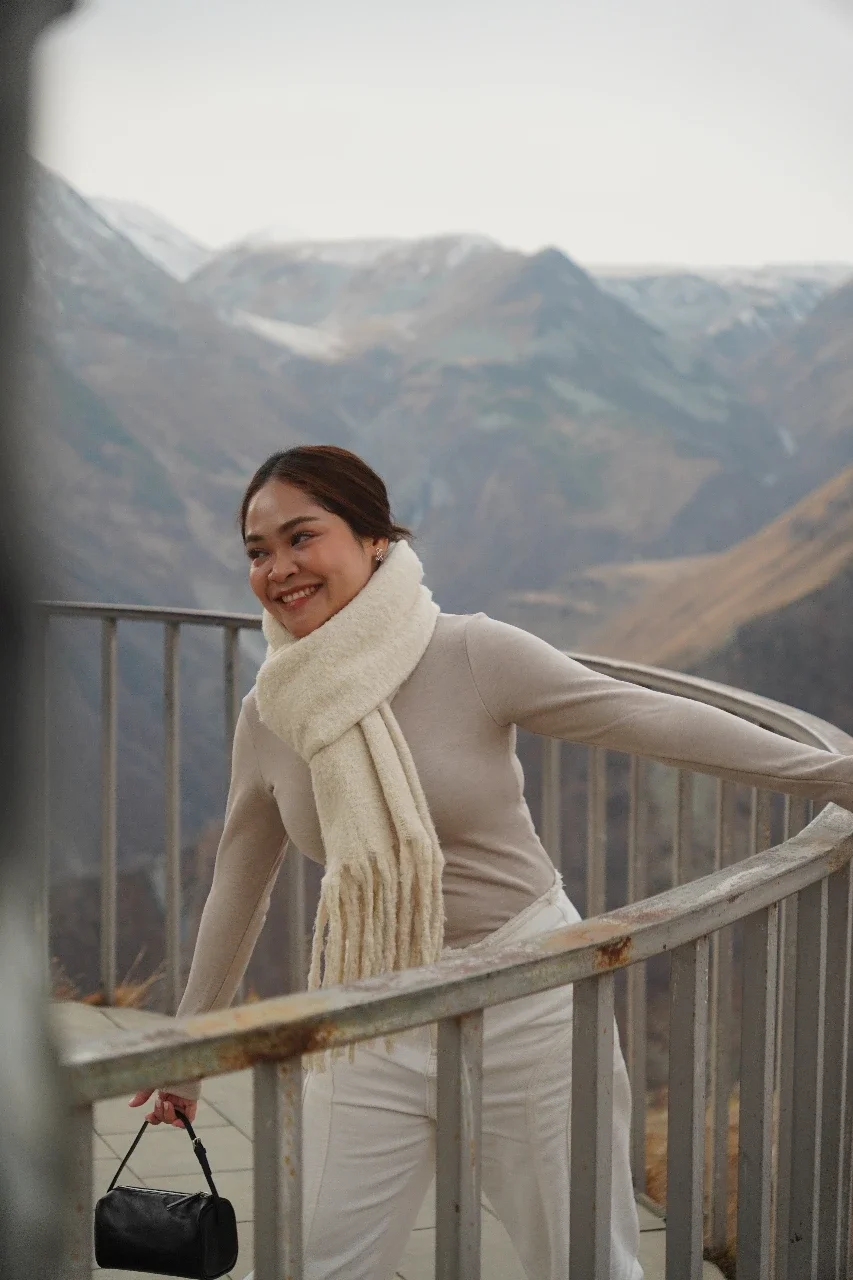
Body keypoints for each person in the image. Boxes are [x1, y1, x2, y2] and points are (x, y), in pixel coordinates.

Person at [130, 445, 853, 1280]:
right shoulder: (275, 709)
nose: (278, 569)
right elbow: (238, 878)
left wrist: (833, 775)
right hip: (372, 1011)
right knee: (309, 1260)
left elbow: (646, 718)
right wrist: (187, 1041)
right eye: (258, 551)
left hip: (530, 1003)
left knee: (580, 1259)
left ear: (372, 539)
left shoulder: (471, 652)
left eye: (302, 538)